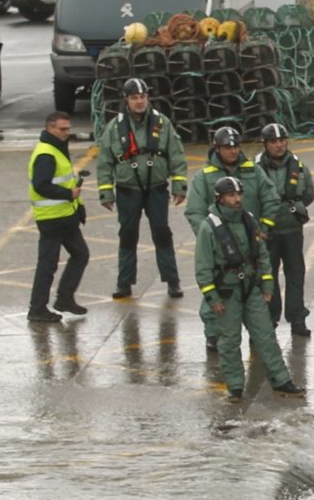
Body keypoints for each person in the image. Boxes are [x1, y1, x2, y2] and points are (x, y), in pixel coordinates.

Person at [195, 174, 304, 401]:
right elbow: (203, 267)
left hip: (251, 288)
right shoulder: (209, 228)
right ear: (220, 198)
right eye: (231, 195)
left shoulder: (249, 220)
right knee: (229, 341)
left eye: (238, 194)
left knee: (266, 336)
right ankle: (235, 386)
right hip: (226, 292)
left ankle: (281, 381)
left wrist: (267, 284)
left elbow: (262, 255)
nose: (237, 199)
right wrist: (212, 298)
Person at [96, 78, 187, 300]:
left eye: (143, 97)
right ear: (126, 100)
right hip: (128, 190)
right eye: (135, 98)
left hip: (156, 189)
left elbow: (176, 154)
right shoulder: (114, 128)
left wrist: (179, 186)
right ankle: (124, 283)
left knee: (162, 234)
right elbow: (105, 161)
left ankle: (172, 282)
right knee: (127, 236)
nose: (139, 102)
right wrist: (106, 192)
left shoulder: (162, 123)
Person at [185, 127, 265, 354]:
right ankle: (212, 334)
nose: (232, 151)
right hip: (220, 246)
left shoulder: (252, 171)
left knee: (252, 288)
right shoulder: (204, 177)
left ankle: (255, 332)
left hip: (249, 243)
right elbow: (194, 212)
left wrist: (263, 229)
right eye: (227, 147)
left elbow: (269, 196)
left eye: (235, 146)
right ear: (217, 148)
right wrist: (210, 235)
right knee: (217, 289)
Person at [25, 110, 89, 324]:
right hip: (52, 219)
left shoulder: (56, 148)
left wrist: (78, 208)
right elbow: (41, 186)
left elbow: (66, 181)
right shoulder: (46, 154)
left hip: (65, 216)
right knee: (47, 264)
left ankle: (64, 299)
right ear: (49, 129)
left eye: (68, 129)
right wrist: (68, 195)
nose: (66, 133)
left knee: (81, 254)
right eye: (62, 129)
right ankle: (37, 308)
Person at [255, 122, 314, 335]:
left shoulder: (298, 166)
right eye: (273, 141)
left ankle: (298, 319)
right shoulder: (255, 169)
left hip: (291, 231)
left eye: (282, 140)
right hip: (266, 233)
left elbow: (308, 194)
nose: (279, 145)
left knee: (296, 274)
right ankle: (270, 320)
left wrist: (293, 209)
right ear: (265, 144)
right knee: (267, 276)